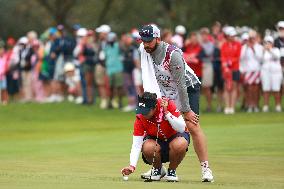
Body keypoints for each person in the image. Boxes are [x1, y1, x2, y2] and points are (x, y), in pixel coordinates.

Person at [138, 24, 214, 182]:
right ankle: (157, 168)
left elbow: (181, 85)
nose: (146, 44)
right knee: (159, 122)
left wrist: (186, 110)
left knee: (192, 125)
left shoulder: (173, 55)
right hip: (166, 89)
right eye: (143, 41)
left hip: (188, 87)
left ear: (158, 39)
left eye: (149, 41)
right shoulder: (146, 51)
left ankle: (206, 169)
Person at [121, 92, 189, 182]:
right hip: (156, 142)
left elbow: (181, 128)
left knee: (180, 144)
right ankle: (158, 169)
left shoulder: (168, 104)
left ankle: (172, 171)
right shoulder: (140, 117)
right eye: (141, 110)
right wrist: (132, 166)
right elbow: (136, 144)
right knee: (148, 147)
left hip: (175, 136)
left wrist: (167, 113)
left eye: (146, 111)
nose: (143, 114)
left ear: (154, 107)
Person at [240, 30, 263, 113]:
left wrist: (253, 49)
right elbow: (242, 58)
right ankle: (250, 105)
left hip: (256, 69)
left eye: (252, 38)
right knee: (249, 88)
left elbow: (260, 58)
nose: (251, 39)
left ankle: (255, 105)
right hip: (248, 70)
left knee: (256, 88)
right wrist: (247, 47)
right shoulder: (244, 47)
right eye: (250, 38)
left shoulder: (259, 47)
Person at [220, 26, 241, 114]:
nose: (233, 37)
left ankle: (232, 106)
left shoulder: (238, 44)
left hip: (235, 68)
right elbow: (223, 56)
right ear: (227, 36)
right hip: (226, 69)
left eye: (234, 36)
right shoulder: (224, 45)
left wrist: (230, 62)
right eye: (231, 36)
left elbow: (238, 56)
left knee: (234, 87)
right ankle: (227, 106)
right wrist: (225, 64)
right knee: (226, 87)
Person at [260, 36, 283, 112]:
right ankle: (265, 106)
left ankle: (278, 105)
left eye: (269, 42)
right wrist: (264, 51)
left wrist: (269, 50)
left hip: (275, 72)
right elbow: (260, 60)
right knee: (266, 89)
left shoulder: (276, 50)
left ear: (272, 43)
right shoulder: (262, 51)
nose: (268, 44)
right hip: (266, 72)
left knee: (276, 89)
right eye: (266, 42)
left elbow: (277, 57)